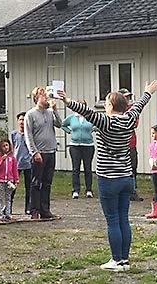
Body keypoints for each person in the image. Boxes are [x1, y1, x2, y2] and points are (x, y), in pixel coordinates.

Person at [59, 80, 157, 271]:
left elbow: (86, 112)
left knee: (112, 219)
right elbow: (138, 106)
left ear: (111, 106)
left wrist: (67, 100)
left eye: (106, 103)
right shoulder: (129, 119)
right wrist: (147, 92)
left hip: (108, 178)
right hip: (126, 177)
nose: (104, 106)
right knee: (123, 218)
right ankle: (125, 260)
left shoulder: (106, 120)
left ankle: (116, 260)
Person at [24, 86, 62, 219]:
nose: (46, 97)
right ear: (36, 98)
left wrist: (55, 109)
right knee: (36, 183)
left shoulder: (50, 112)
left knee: (47, 182)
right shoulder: (30, 114)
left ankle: (45, 210)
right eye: (43, 95)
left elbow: (60, 124)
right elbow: (28, 136)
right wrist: (34, 152)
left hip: (51, 151)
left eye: (46, 94)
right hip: (39, 153)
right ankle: (34, 209)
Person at [61, 108, 95, 199]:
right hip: (75, 146)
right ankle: (76, 190)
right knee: (76, 168)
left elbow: (99, 125)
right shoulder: (72, 118)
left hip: (88, 145)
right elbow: (62, 124)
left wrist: (94, 129)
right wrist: (69, 131)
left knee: (88, 168)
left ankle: (89, 190)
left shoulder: (90, 117)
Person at [119, 89, 142, 202]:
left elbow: (134, 123)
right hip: (120, 145)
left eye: (128, 97)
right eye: (125, 97)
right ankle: (121, 191)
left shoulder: (132, 110)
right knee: (120, 168)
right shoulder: (115, 110)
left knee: (133, 167)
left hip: (131, 143)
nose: (127, 100)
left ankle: (132, 191)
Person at [10, 112, 32, 215]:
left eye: (24, 120)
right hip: (16, 164)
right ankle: (8, 206)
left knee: (29, 187)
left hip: (28, 164)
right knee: (12, 186)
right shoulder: (14, 134)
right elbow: (12, 148)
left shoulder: (30, 134)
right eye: (20, 120)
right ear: (17, 121)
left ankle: (28, 207)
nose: (22, 122)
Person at [0, 138, 19, 222]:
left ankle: (8, 214)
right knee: (0, 198)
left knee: (8, 198)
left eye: (7, 145)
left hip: (9, 181)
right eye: (3, 146)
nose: (6, 147)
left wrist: (16, 179)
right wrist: (1, 161)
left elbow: (14, 169)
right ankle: (0, 214)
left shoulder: (12, 158)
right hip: (0, 180)